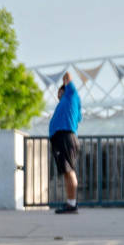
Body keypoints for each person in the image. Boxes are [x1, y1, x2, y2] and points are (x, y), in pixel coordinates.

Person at [48, 72, 82, 213]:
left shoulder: (71, 94)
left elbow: (68, 75)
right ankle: (70, 203)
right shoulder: (69, 102)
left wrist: (66, 83)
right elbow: (78, 118)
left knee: (70, 171)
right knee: (67, 172)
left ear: (64, 89)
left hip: (65, 137)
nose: (57, 95)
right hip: (62, 138)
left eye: (59, 92)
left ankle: (72, 204)